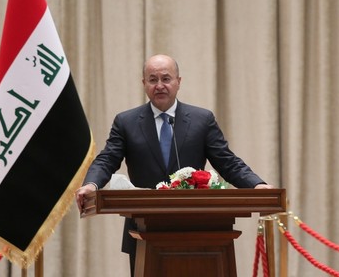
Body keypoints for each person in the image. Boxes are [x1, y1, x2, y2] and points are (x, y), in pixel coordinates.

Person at [75, 54, 273, 276]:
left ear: (178, 81)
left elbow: (227, 162)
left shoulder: (201, 119)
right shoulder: (126, 122)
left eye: (166, 78)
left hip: (196, 229)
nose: (160, 85)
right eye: (152, 79)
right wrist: (91, 184)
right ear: (144, 84)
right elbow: (107, 159)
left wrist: (257, 186)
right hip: (143, 231)